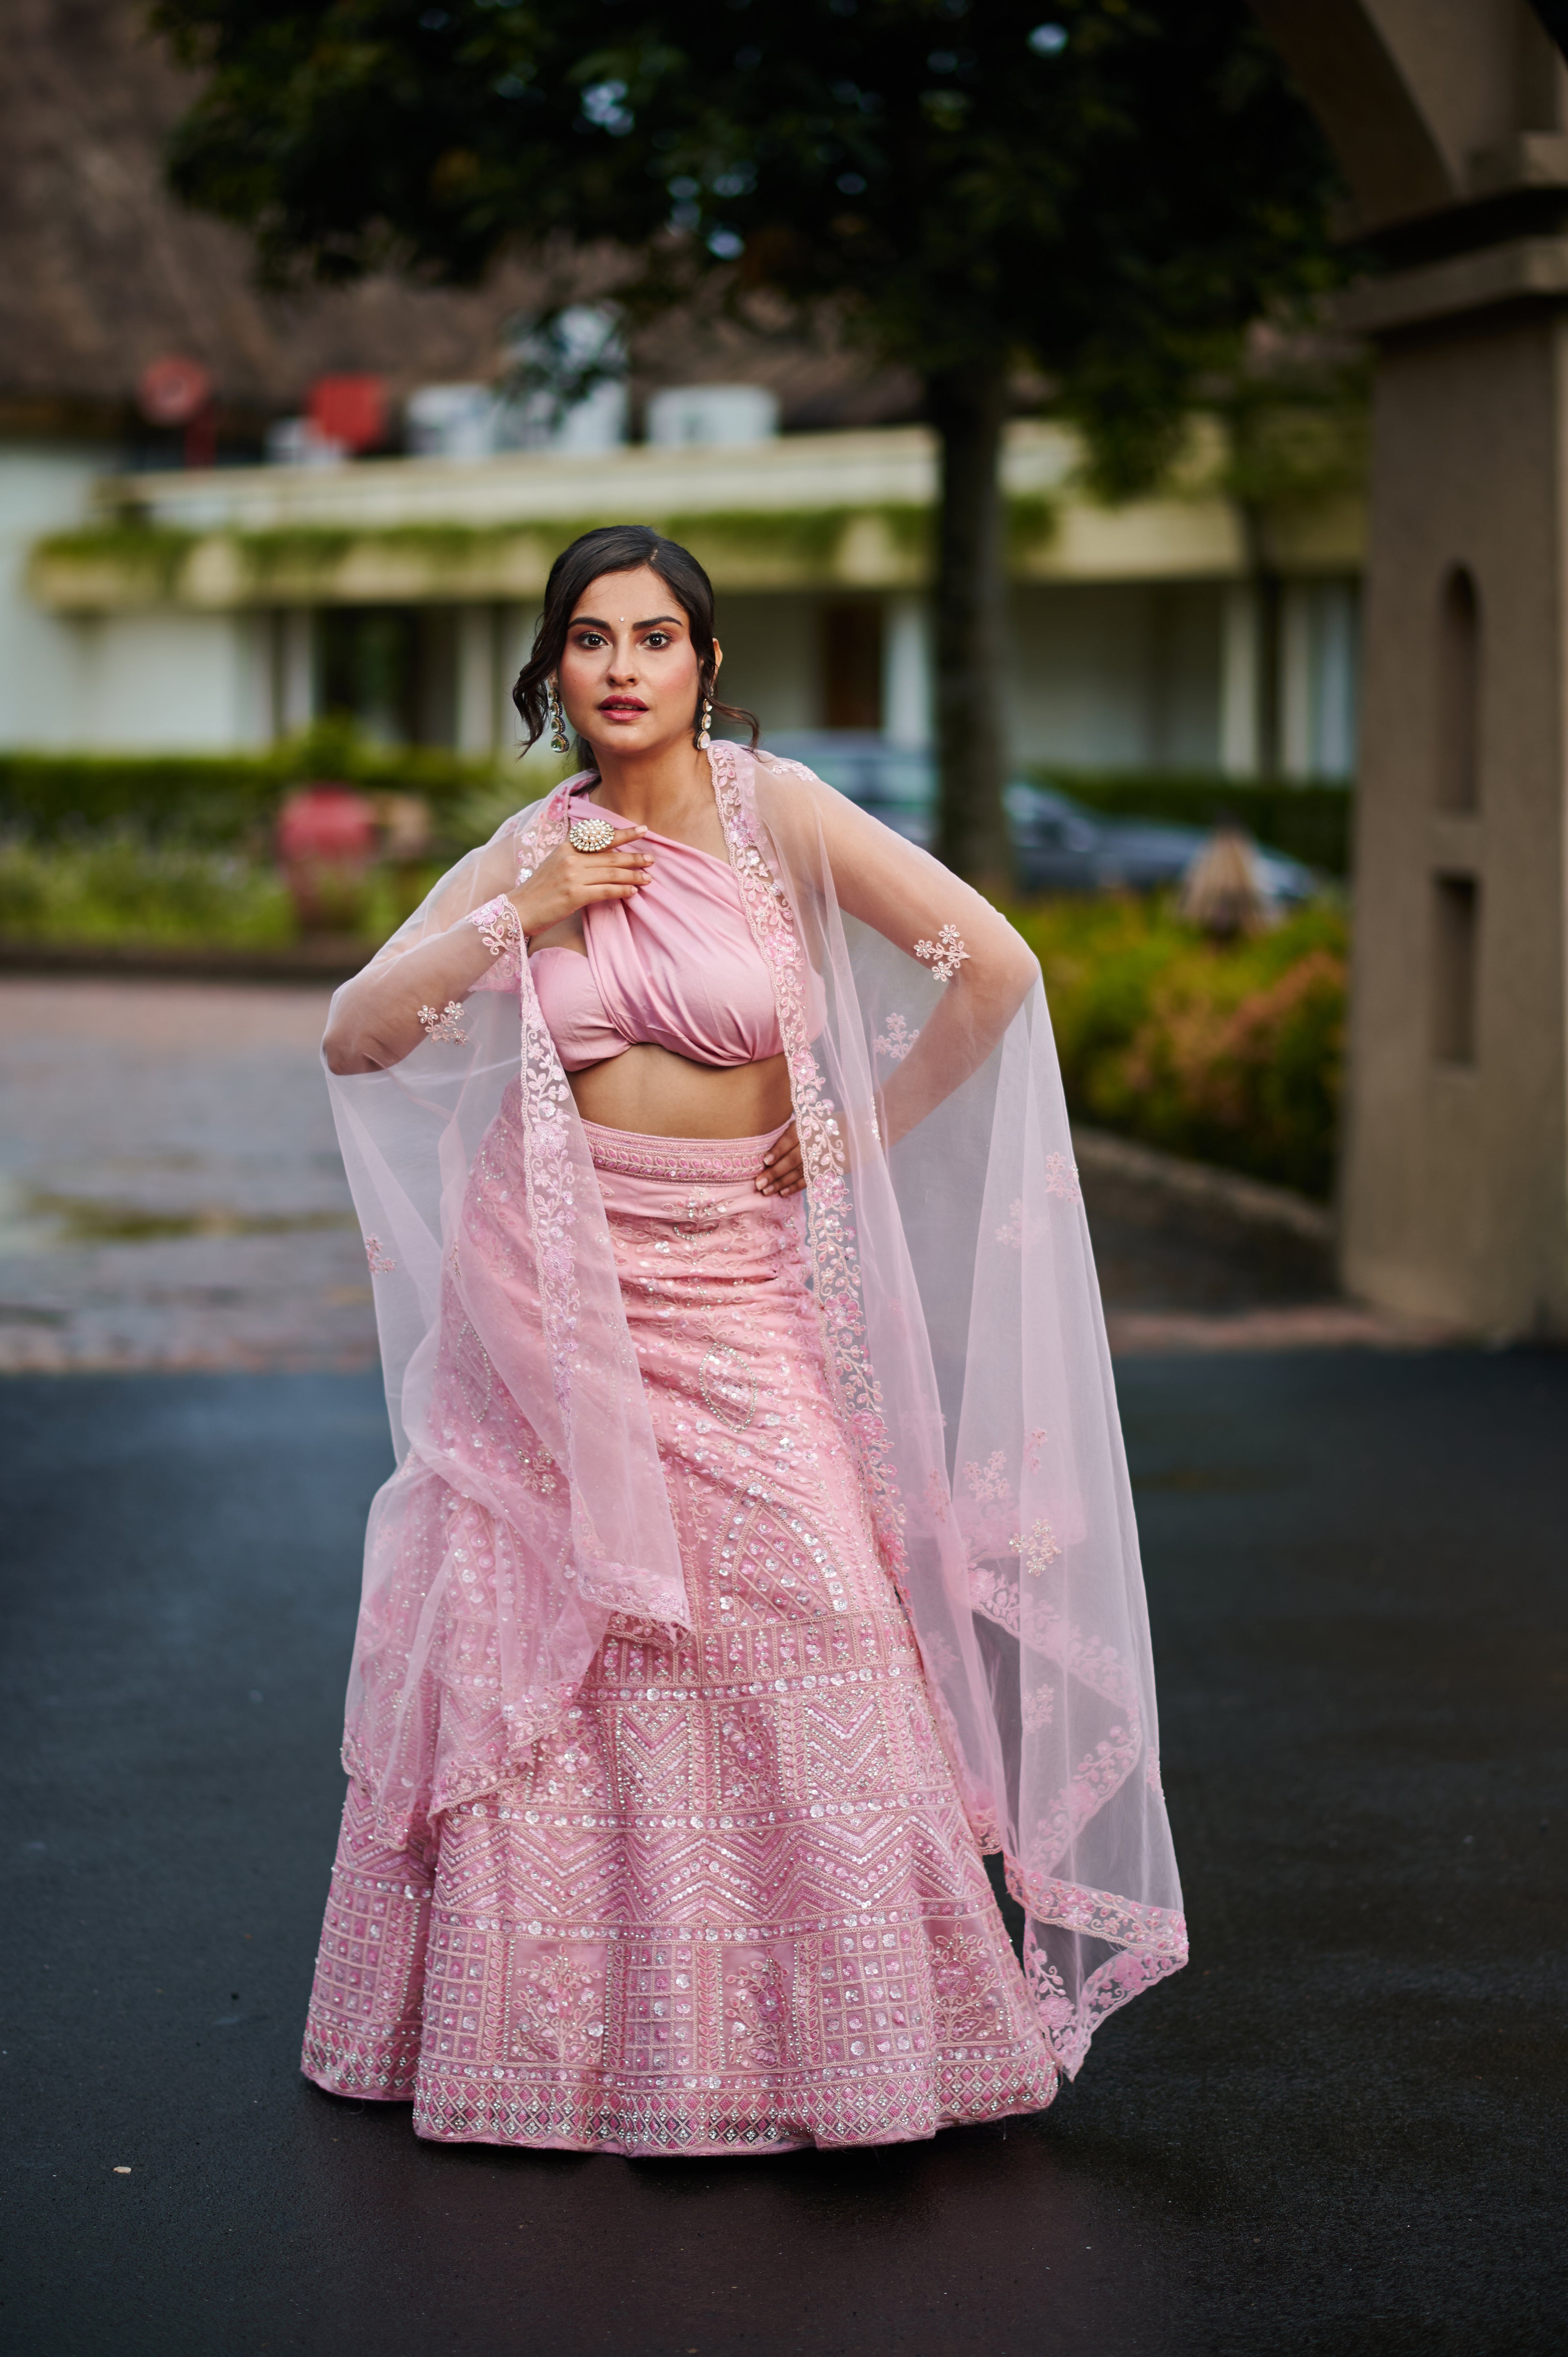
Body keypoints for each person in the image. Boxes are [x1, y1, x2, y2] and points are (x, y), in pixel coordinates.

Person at [302, 524, 1185, 2155]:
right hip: (554, 1293)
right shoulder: (533, 851)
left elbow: (989, 965)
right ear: (553, 671)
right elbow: (358, 1034)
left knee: (822, 1621)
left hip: (737, 1283)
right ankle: (562, 2053)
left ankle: (855, 2046)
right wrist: (525, 916)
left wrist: (857, 1129)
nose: (622, 668)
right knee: (575, 1661)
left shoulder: (776, 814)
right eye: (589, 638)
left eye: (654, 637)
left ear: (709, 662)